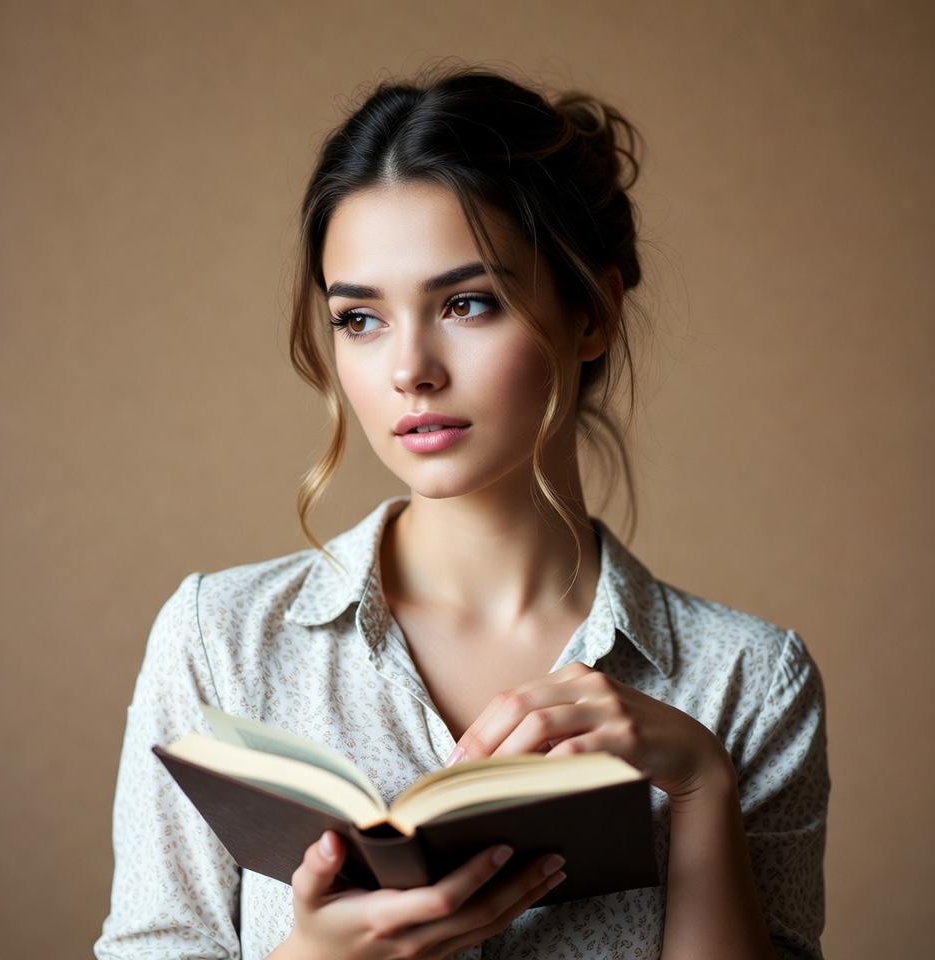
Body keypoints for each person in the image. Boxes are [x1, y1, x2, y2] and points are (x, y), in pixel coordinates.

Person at [95, 66, 828, 960]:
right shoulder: (219, 640)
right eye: (360, 319)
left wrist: (704, 788)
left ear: (591, 312)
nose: (410, 369)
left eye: (466, 303)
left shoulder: (749, 679)